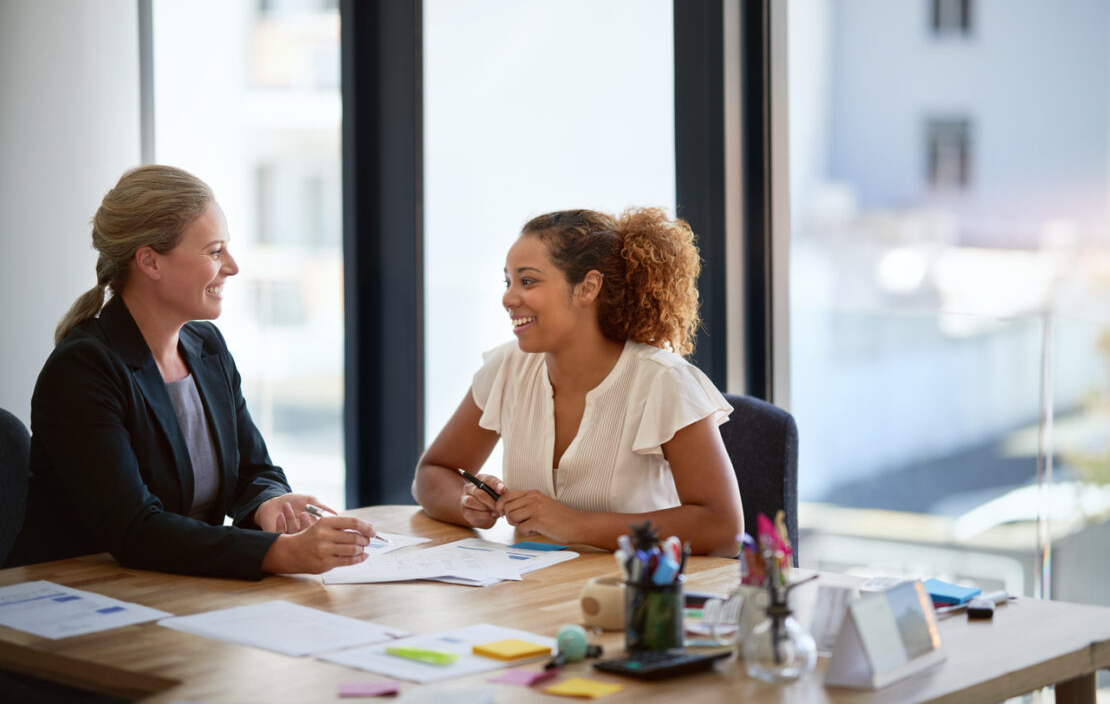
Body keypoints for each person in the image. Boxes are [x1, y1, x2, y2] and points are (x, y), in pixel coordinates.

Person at [5, 165, 374, 579]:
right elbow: (135, 530)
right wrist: (280, 554)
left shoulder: (207, 347)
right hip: (82, 598)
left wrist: (270, 502)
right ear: (150, 261)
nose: (231, 266)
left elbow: (254, 471)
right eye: (214, 251)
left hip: (176, 588)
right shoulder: (83, 369)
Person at [412, 208, 744, 556]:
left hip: (631, 598)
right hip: (536, 595)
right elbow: (433, 473)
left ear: (587, 288)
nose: (508, 298)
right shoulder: (508, 366)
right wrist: (464, 502)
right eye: (508, 282)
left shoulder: (665, 382)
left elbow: (722, 527)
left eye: (527, 281)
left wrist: (576, 524)